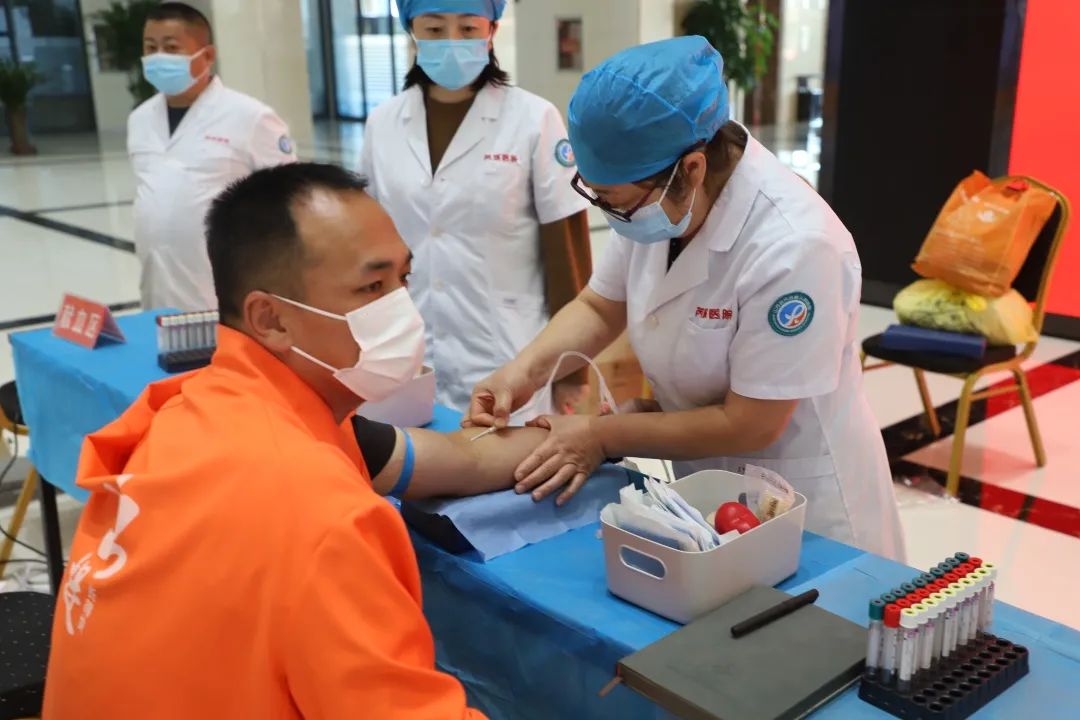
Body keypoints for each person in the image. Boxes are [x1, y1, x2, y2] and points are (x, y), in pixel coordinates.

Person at [43, 163, 555, 719]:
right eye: (372, 287)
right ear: (271, 319)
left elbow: (457, 459)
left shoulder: (201, 407)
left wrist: (589, 434)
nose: (403, 311)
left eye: (404, 279)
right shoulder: (322, 514)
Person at [465, 37, 904, 560]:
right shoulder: (655, 201)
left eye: (616, 202)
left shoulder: (796, 245)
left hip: (804, 501)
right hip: (709, 487)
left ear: (692, 169)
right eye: (596, 195)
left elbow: (751, 423)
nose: (611, 214)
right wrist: (520, 374)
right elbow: (599, 307)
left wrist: (605, 436)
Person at [359, 0, 593, 420]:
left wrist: (571, 370)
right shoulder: (383, 123)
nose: (451, 42)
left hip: (509, 353)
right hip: (409, 353)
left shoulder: (533, 118)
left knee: (511, 457)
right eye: (434, 30)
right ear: (412, 31)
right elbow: (367, 241)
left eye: (467, 29)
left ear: (492, 31)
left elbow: (566, 252)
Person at [129, 2, 296, 312]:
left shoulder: (250, 116)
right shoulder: (139, 119)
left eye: (171, 48)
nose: (158, 57)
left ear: (207, 56)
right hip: (158, 283)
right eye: (150, 47)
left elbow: (288, 201)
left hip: (223, 286)